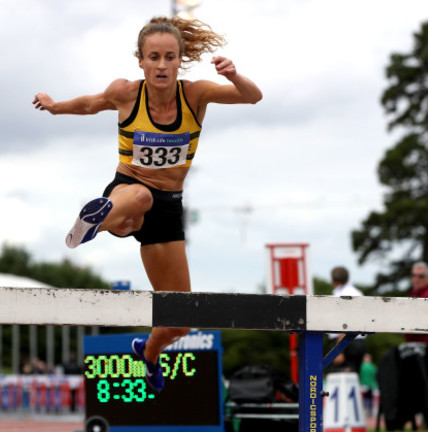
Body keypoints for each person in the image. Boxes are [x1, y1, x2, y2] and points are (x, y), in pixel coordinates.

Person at [33, 16, 261, 392]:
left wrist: (234, 75)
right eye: (153, 57)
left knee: (180, 320)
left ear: (179, 61)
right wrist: (55, 106)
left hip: (169, 209)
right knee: (140, 195)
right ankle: (99, 222)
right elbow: (91, 103)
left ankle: (149, 352)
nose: (160, 65)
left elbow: (253, 96)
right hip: (127, 190)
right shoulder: (126, 93)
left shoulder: (196, 94)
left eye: (169, 57)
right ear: (140, 60)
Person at [328, 266, 366, 373]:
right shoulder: (357, 292)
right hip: (359, 341)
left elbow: (344, 323)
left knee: (338, 378)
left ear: (335, 281)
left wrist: (339, 350)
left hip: (346, 342)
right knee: (353, 377)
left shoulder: (341, 294)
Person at [405, 261, 428, 361]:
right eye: (414, 275)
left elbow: (421, 325)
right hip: (416, 345)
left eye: (420, 276)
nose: (416, 279)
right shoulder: (416, 295)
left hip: (426, 346)